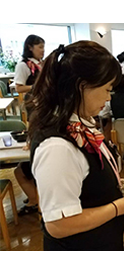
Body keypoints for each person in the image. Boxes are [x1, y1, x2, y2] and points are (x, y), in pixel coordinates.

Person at [26, 41, 124, 251]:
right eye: (106, 89)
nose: (107, 98)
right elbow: (58, 225)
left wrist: (121, 186)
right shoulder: (57, 148)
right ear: (82, 86)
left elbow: (84, 183)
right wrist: (120, 206)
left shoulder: (80, 124)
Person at [13, 34, 45, 215]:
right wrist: (38, 86)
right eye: (40, 47)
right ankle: (34, 199)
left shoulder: (40, 63)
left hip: (42, 106)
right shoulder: (23, 65)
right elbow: (19, 87)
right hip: (34, 104)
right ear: (30, 47)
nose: (42, 50)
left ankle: (35, 197)